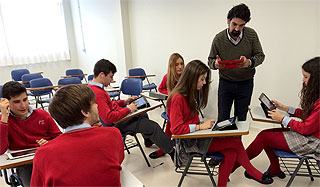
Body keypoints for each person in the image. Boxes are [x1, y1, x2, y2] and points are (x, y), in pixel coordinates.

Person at [167, 60, 273, 186]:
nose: (204, 83)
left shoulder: (189, 94)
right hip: (191, 143)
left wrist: (203, 124)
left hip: (199, 136)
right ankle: (252, 172)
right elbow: (176, 129)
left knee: (231, 153)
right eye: (202, 79)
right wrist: (200, 126)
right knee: (235, 142)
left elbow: (188, 119)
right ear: (191, 78)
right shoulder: (177, 98)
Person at [233, 57, 320, 178]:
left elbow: (306, 128)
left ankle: (232, 166)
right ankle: (275, 169)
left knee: (264, 137)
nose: (303, 80)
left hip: (311, 141)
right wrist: (285, 108)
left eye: (306, 77)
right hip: (309, 135)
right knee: (267, 135)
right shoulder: (317, 97)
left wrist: (283, 119)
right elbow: (308, 115)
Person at [30, 84, 124, 186]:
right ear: (85, 112)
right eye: (94, 103)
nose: (97, 106)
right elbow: (116, 161)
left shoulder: (43, 154)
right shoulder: (112, 134)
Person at [88, 59, 175, 160]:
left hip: (118, 118)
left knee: (143, 114)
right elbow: (108, 118)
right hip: (116, 124)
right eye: (111, 77)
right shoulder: (98, 93)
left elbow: (109, 104)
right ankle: (172, 152)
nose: (112, 80)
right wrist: (129, 109)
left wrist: (124, 102)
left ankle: (148, 140)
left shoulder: (95, 88)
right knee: (153, 126)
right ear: (102, 75)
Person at [208, 3, 265, 122]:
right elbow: (210, 61)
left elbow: (260, 56)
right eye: (234, 24)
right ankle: (223, 140)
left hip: (246, 83)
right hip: (226, 83)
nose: (237, 29)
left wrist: (249, 62)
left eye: (241, 25)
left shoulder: (251, 35)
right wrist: (216, 64)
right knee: (223, 118)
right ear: (228, 21)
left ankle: (237, 141)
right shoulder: (218, 39)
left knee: (241, 119)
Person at [0, 81, 61, 186]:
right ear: (6, 102)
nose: (23, 105)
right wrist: (4, 118)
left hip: (48, 157)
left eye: (25, 99)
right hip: (25, 164)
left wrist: (49, 144)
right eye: (16, 102)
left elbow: (59, 138)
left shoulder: (42, 114)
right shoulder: (4, 121)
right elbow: (1, 150)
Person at [149, 53, 184, 159]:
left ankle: (167, 147)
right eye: (177, 64)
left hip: (184, 107)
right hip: (172, 108)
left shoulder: (186, 76)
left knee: (172, 123)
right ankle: (167, 147)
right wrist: (171, 93)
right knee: (171, 121)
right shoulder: (167, 77)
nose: (180, 67)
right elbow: (160, 89)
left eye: (182, 64)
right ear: (172, 66)